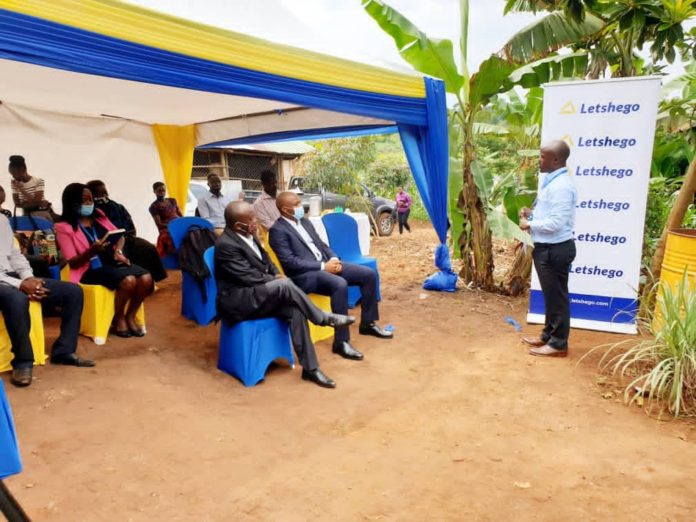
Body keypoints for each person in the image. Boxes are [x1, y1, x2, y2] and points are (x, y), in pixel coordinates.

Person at [215, 201, 356, 389]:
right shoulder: (225, 245)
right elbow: (248, 276)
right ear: (237, 225)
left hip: (258, 293)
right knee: (283, 286)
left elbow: (266, 260)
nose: (256, 222)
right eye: (251, 220)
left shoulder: (249, 234)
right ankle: (321, 317)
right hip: (239, 301)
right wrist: (275, 280)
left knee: (295, 309)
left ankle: (310, 369)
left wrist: (275, 274)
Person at [269, 192, 393, 361]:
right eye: (297, 203)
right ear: (285, 209)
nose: (301, 206)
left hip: (326, 265)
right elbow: (291, 263)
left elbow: (322, 244)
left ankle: (368, 324)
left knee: (368, 275)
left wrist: (333, 258)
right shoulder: (278, 231)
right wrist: (322, 266)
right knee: (339, 284)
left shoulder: (304, 222)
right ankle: (341, 342)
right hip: (305, 276)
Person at [0, 213, 93, 387]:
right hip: (4, 283)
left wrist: (28, 278)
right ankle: (23, 362)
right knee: (17, 299)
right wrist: (20, 284)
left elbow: (16, 256)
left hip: (11, 276)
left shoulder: (2, 221)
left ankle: (64, 351)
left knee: (72, 292)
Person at [55, 183, 154, 338]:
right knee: (128, 281)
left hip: (111, 261)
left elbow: (119, 235)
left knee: (146, 279)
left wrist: (118, 251)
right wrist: (91, 251)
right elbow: (73, 262)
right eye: (84, 200)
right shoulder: (63, 227)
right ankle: (118, 318)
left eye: (90, 199)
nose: (89, 203)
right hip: (89, 269)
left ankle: (130, 315)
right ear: (72, 202)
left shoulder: (99, 215)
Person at [519, 140, 577, 358]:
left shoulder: (562, 186)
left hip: (555, 250)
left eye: (543, 157)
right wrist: (531, 214)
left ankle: (559, 344)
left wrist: (529, 224)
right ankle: (548, 336)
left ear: (556, 160)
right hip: (548, 248)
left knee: (557, 298)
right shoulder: (551, 182)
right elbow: (548, 215)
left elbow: (556, 223)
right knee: (551, 296)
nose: (539, 160)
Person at [87, 180, 167, 282]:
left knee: (147, 247)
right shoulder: (93, 212)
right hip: (106, 243)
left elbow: (130, 225)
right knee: (122, 253)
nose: (104, 195)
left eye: (104, 191)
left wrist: (129, 236)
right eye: (99, 193)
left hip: (126, 238)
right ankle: (136, 279)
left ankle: (152, 280)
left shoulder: (117, 206)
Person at [8, 155, 54, 220]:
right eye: (11, 174)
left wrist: (21, 190)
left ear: (23, 170)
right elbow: (17, 204)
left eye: (15, 173)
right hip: (26, 215)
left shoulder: (38, 181)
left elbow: (36, 201)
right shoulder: (15, 183)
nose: (13, 177)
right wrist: (36, 203)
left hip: (41, 214)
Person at [148, 182, 182, 257]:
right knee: (171, 238)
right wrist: (173, 225)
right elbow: (159, 224)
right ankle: (178, 258)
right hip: (167, 228)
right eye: (159, 191)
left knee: (193, 233)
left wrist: (182, 223)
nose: (162, 193)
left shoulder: (172, 201)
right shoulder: (154, 207)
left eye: (163, 190)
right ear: (154, 191)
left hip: (179, 224)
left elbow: (180, 215)